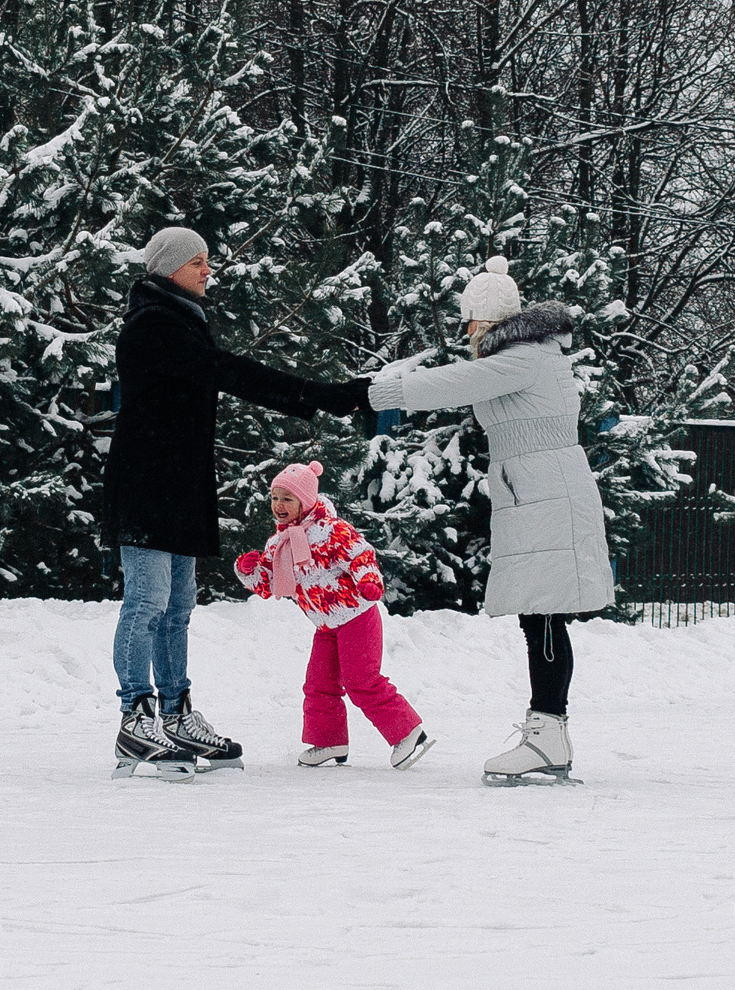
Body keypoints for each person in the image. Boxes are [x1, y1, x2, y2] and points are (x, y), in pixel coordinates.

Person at [102, 227, 368, 778]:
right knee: (147, 603)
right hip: (147, 484)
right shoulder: (153, 325)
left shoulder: (182, 321)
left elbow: (217, 372)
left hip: (179, 486)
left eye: (207, 260)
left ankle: (174, 714)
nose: (207, 270)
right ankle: (135, 717)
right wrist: (319, 396)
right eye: (196, 261)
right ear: (167, 269)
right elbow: (229, 372)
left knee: (176, 610)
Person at [362, 256, 613, 787]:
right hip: (533, 492)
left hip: (548, 494)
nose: (468, 332)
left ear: (489, 319)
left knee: (543, 613)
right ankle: (547, 735)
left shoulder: (524, 357)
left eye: (471, 321)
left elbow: (455, 383)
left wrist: (376, 393)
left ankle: (548, 736)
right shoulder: (522, 358)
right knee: (537, 614)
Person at [235, 460, 432, 771]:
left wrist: (368, 579)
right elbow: (270, 585)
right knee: (318, 684)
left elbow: (360, 554)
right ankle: (329, 741)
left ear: (307, 499)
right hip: (325, 625)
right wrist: (249, 571)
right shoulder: (278, 543)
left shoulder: (330, 530)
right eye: (275, 497)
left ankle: (408, 732)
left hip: (357, 615)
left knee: (361, 681)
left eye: (288, 498)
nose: (279, 505)